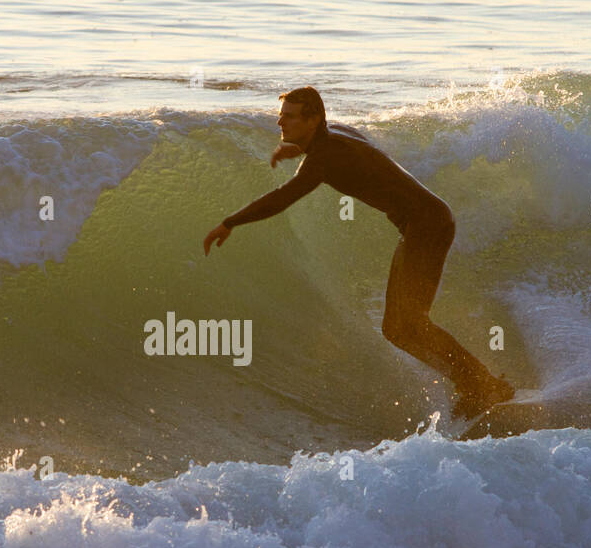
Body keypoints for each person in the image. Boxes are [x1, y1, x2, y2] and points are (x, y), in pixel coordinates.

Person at [203, 86, 515, 419]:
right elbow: (354, 141)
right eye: (282, 116)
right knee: (399, 328)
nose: (281, 122)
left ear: (313, 119)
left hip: (428, 226)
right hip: (424, 224)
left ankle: (483, 385)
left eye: (290, 117)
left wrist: (230, 222)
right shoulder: (333, 136)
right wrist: (299, 149)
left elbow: (284, 197)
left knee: (406, 325)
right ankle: (477, 384)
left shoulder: (323, 157)